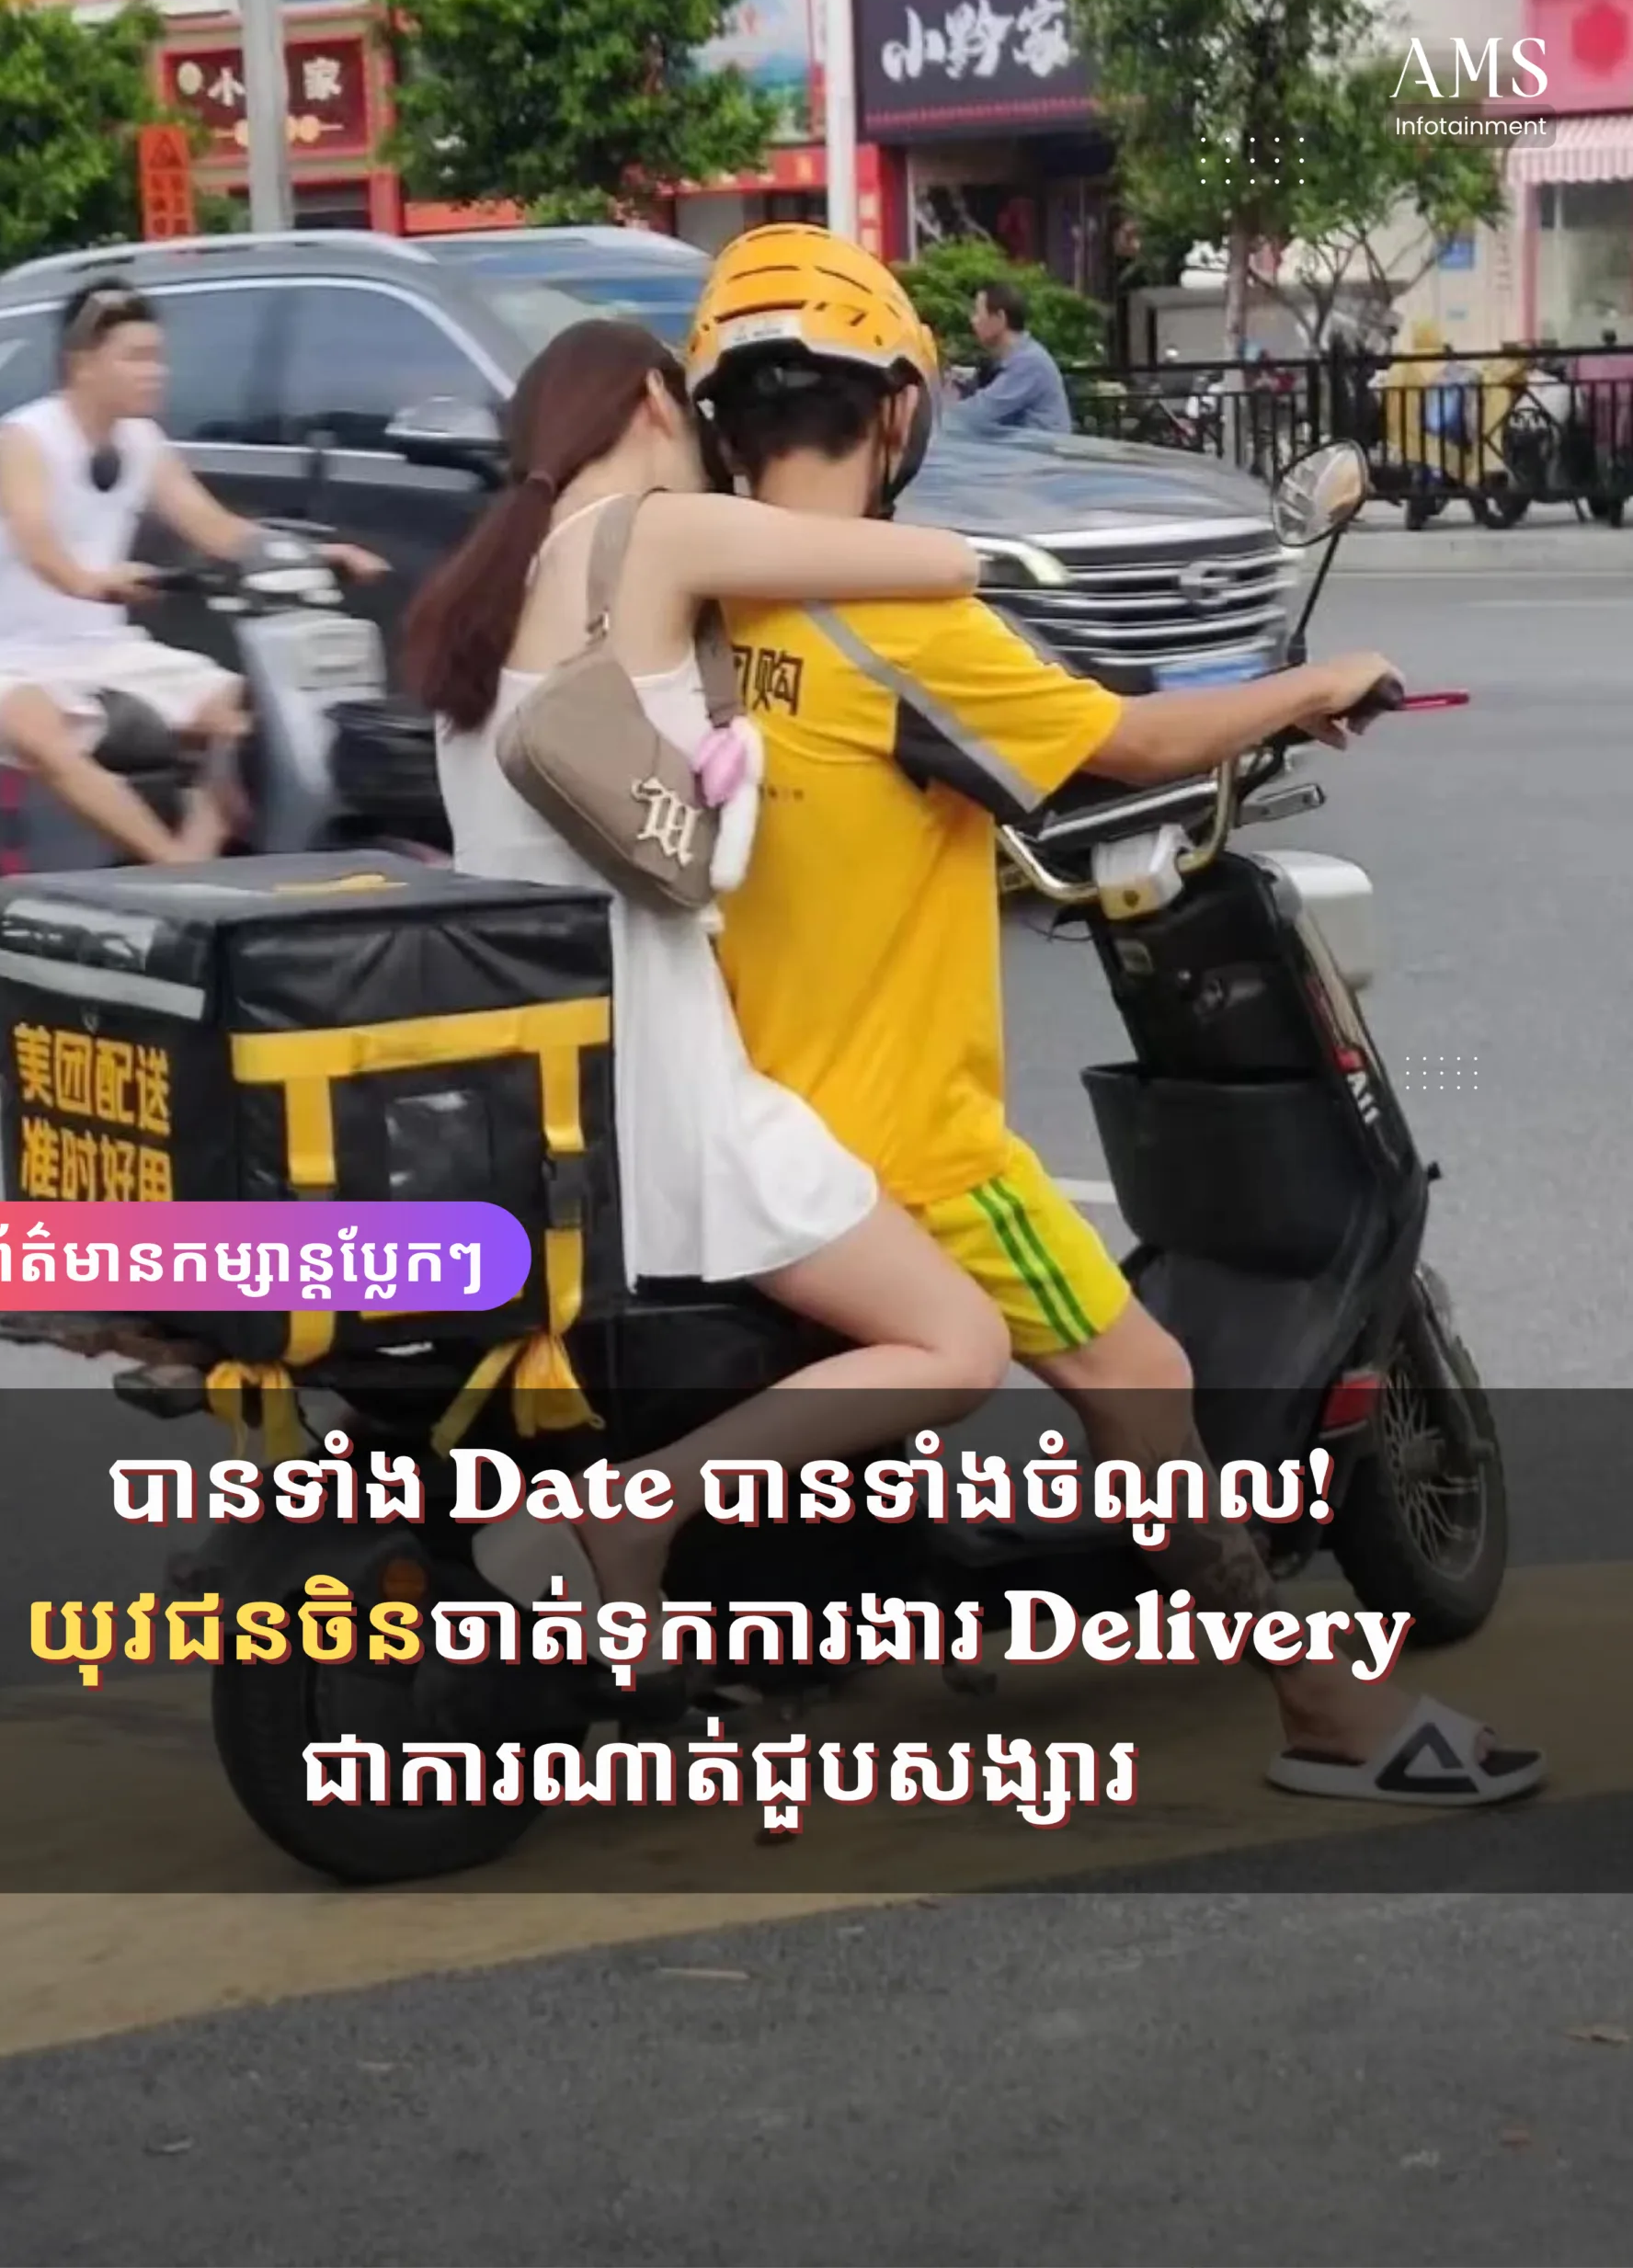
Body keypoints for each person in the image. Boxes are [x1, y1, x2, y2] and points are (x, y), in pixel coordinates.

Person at [681, 222, 1541, 1806]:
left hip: (749, 1111)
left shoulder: (716, 612)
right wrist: (1313, 684)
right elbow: (1126, 745)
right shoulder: (891, 620)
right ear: (897, 410)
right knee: (1142, 1380)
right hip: (909, 1148)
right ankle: (1328, 1711)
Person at [410, 316, 1015, 1631]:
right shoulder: (655, 536)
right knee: (958, 1343)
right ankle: (643, 1507)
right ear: (648, 400)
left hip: (534, 1077)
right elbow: (941, 559)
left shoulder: (488, 583)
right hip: (669, 1080)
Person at [0, 279, 382, 867]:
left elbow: (215, 528)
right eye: (136, 357)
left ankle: (201, 857)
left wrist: (317, 554)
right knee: (43, 735)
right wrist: (89, 582)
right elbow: (34, 540)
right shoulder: (25, 438)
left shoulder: (142, 442)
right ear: (82, 364)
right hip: (1, 658)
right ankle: (175, 868)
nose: (156, 372)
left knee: (252, 715)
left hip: (103, 648)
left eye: (158, 357)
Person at [951, 280, 1073, 438]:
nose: (973, 320)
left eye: (978, 313)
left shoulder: (1030, 362)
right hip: (1023, 449)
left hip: (1038, 452)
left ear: (1000, 318)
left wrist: (935, 414)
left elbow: (980, 413)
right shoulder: (1016, 358)